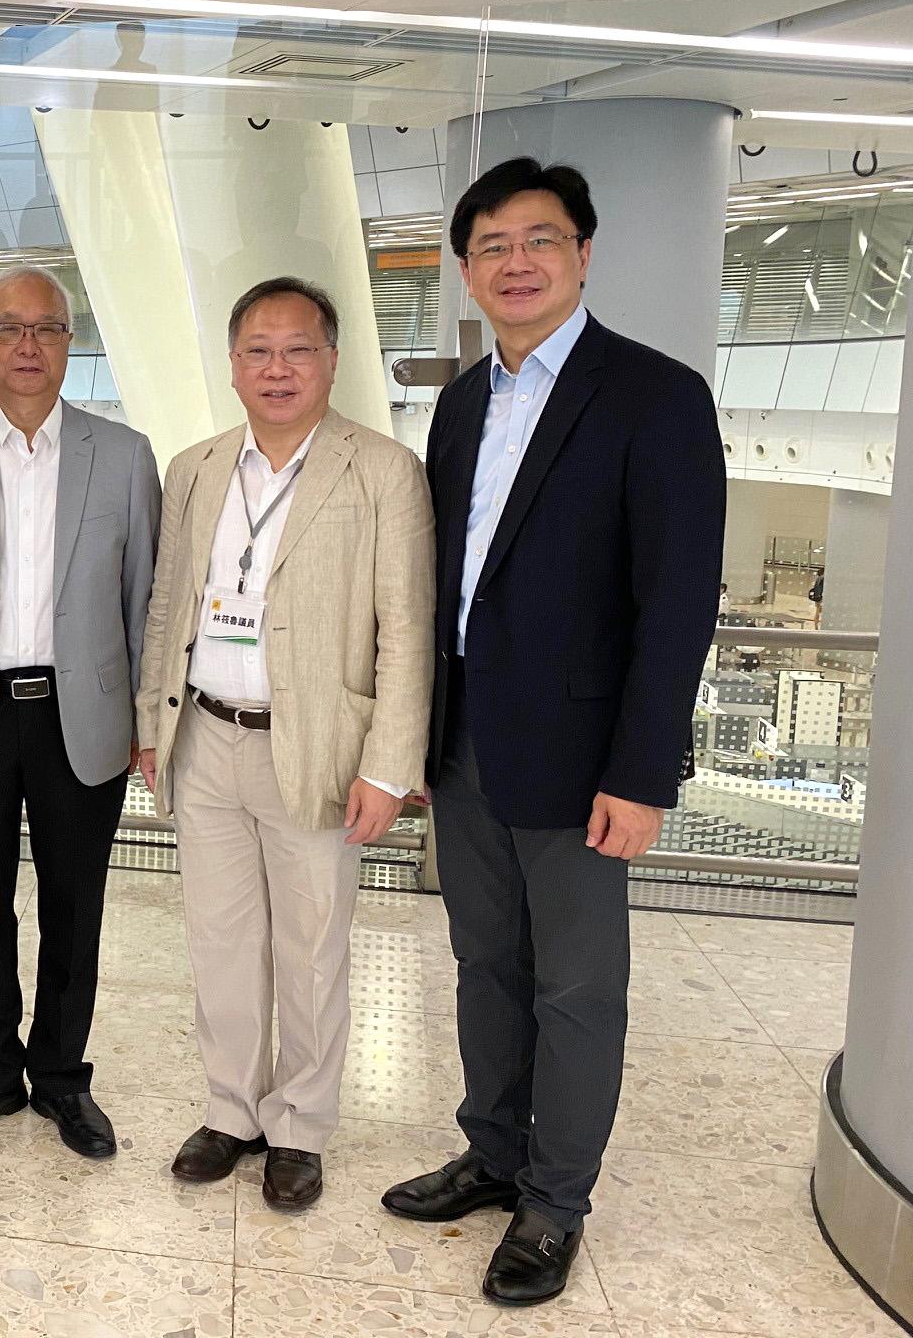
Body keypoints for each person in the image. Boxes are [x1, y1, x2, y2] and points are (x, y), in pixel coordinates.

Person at [380, 158, 725, 1306]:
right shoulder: (463, 402)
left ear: (584, 252)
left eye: (538, 240)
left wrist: (642, 772)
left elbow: (675, 605)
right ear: (467, 270)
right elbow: (444, 583)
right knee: (485, 963)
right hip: (469, 739)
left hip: (585, 764)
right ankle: (493, 1150)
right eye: (491, 246)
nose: (514, 263)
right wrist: (422, 736)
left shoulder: (653, 397)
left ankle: (555, 1199)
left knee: (578, 987)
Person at [135, 277, 433, 1210]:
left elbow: (406, 629)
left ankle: (300, 1124)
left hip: (318, 748)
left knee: (310, 947)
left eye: (298, 349)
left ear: (331, 360)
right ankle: (232, 1111)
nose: (277, 368)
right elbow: (167, 604)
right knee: (220, 942)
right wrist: (153, 721)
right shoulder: (196, 467)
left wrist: (389, 765)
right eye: (258, 350)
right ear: (232, 365)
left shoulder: (382, 470)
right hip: (206, 738)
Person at [0, 265, 160, 1158]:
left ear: (68, 342)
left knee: (73, 905)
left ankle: (59, 1078)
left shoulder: (123, 455)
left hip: (78, 714)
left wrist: (143, 718)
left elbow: (143, 603)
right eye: (8, 330)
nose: (27, 346)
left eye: (46, 329)